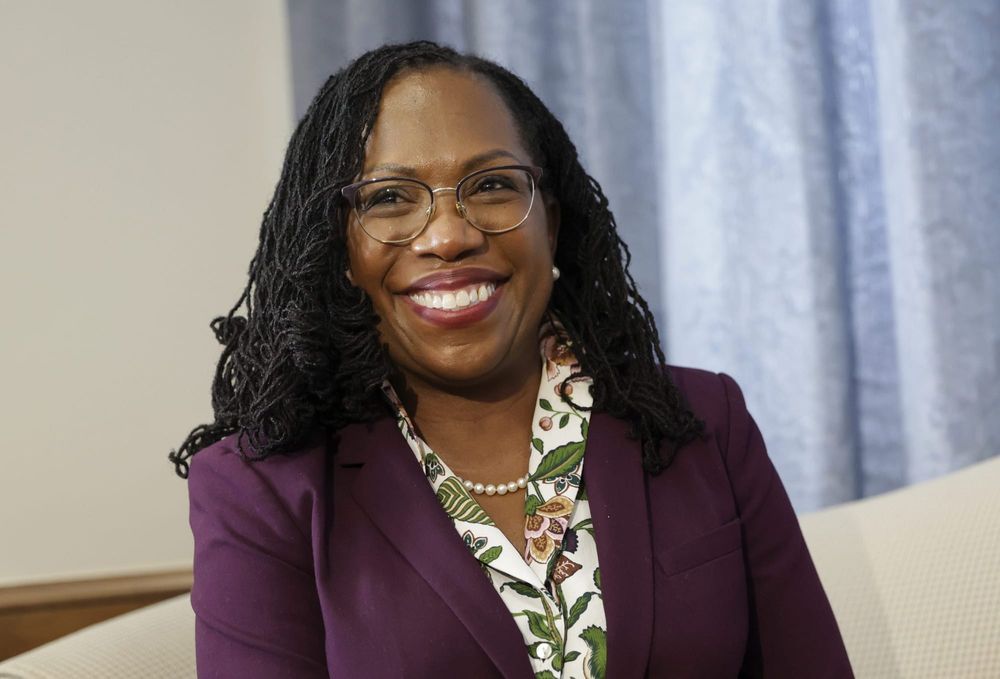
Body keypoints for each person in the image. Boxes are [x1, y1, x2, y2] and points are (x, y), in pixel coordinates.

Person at [170, 41, 853, 678]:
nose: (448, 236)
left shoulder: (704, 422)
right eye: (389, 198)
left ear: (549, 221)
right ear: (338, 246)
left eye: (492, 185)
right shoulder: (263, 490)